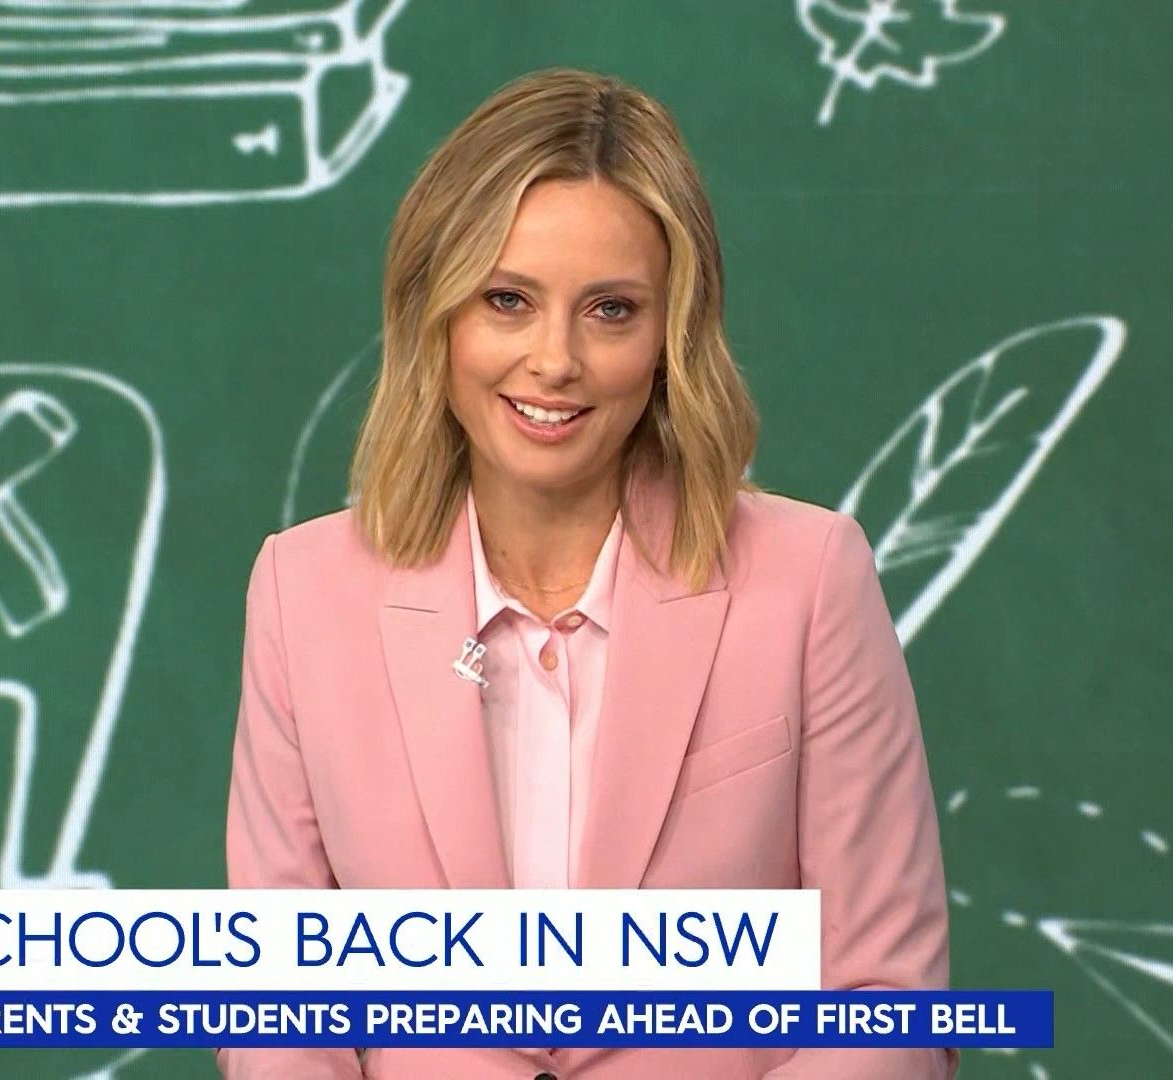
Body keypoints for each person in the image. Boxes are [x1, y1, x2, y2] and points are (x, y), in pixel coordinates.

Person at [222, 67, 956, 1079]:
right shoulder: (302, 593)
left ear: (670, 337)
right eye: (507, 300)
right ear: (435, 314)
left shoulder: (809, 580)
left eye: (610, 310)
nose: (554, 360)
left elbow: (887, 1001)